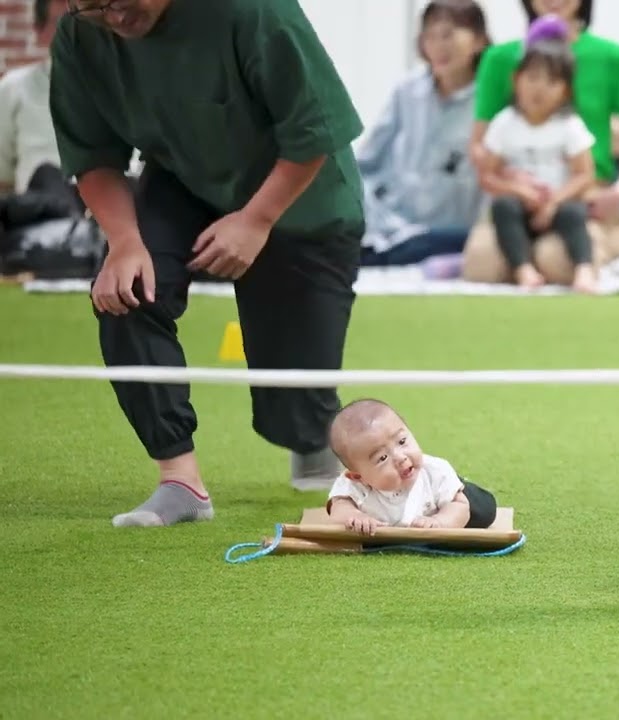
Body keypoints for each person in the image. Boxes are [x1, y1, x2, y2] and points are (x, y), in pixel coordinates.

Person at [49, 0, 367, 526]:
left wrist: (256, 221)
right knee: (126, 294)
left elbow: (313, 128)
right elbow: (92, 155)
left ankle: (311, 428)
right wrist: (125, 242)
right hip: (185, 179)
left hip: (303, 201)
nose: (114, 16)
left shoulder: (254, 11)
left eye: (122, 0)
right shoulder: (80, 35)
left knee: (296, 414)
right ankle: (180, 480)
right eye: (93, 6)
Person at [462, 0, 619, 285]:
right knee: (481, 266)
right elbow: (479, 144)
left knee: (557, 262)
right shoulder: (498, 58)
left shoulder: (614, 57)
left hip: (583, 199)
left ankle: (608, 247)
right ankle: (524, 263)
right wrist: (510, 179)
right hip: (517, 197)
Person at [356, 0, 491, 268]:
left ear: (478, 41)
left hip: (453, 229)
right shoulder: (407, 92)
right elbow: (365, 164)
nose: (438, 46)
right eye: (429, 36)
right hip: (393, 224)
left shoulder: (490, 101)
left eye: (448, 35)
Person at [479, 22, 598, 292]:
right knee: (502, 208)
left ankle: (584, 269)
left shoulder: (569, 125)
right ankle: (524, 270)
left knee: (574, 213)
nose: (539, 89)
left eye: (552, 81)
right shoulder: (504, 123)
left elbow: (585, 174)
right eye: (532, 78)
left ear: (566, 90)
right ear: (516, 80)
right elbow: (488, 175)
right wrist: (518, 190)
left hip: (557, 205)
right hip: (521, 206)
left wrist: (554, 202)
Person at [325, 399, 499, 534]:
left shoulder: (435, 471)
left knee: (484, 512)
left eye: (402, 441)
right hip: (400, 519)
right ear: (358, 476)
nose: (400, 457)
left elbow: (459, 508)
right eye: (383, 458)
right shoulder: (352, 485)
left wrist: (440, 521)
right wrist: (355, 517)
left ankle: (459, 483)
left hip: (440, 496)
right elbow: (338, 510)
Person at [0, 0, 67, 196]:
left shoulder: (128, 88)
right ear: (39, 31)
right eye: (63, 24)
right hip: (45, 217)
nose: (76, 34)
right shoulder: (14, 89)